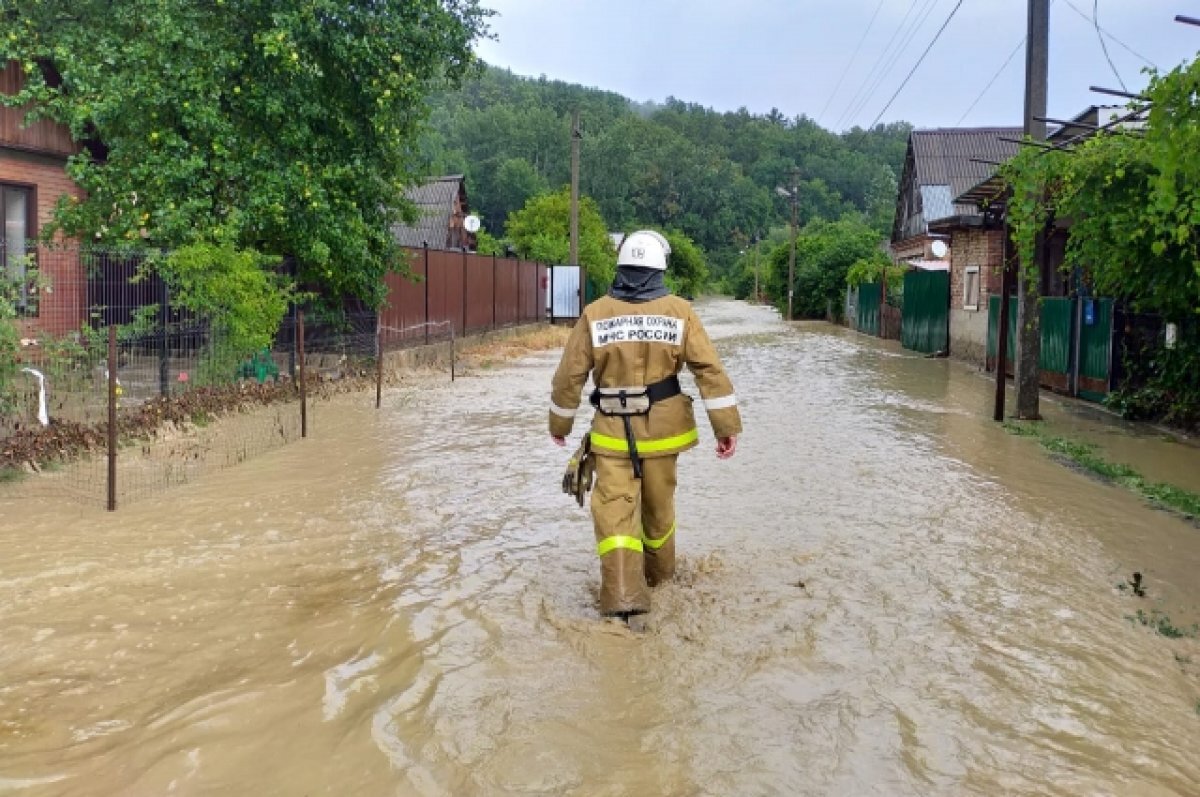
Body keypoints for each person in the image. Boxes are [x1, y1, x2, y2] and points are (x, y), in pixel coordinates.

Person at [549, 230, 741, 621]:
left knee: (615, 514)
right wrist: (726, 427)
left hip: (612, 435)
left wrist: (561, 423)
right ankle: (661, 584)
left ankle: (622, 599)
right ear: (660, 269)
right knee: (658, 513)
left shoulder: (595, 313)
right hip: (665, 433)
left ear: (621, 268)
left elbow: (570, 375)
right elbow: (709, 370)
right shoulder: (680, 311)